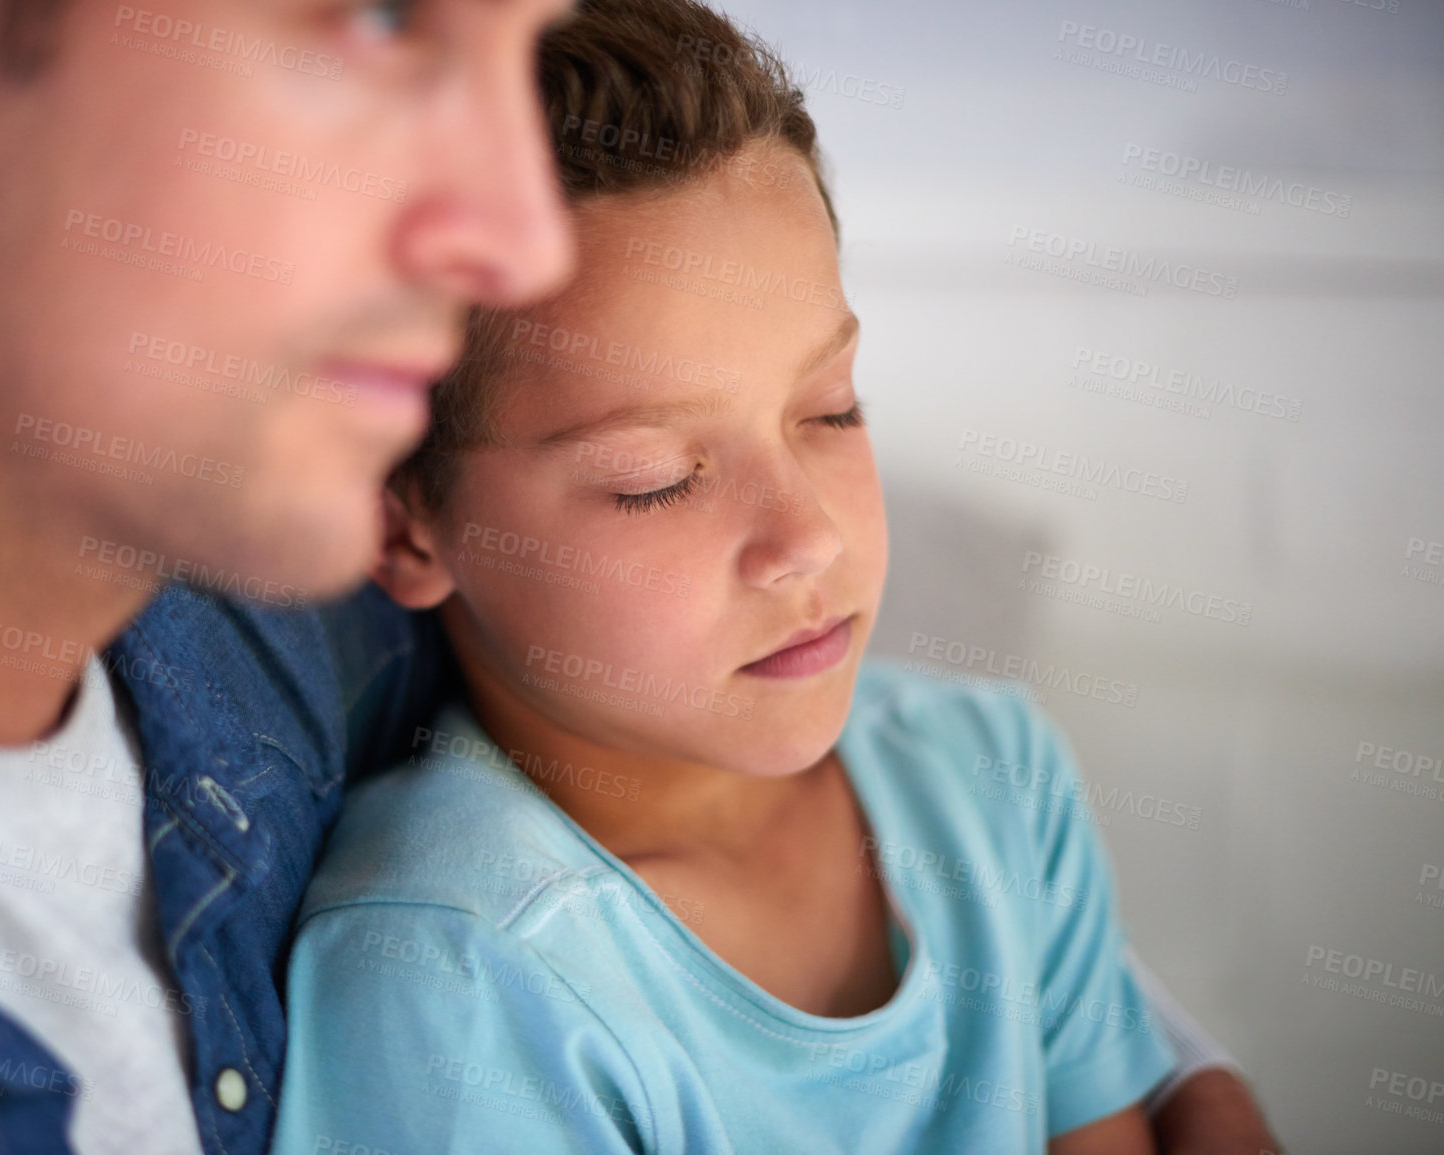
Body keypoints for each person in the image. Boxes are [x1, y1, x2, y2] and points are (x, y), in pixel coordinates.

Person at [0, 0, 1277, 1152]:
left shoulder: (272, 570)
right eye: (380, 27)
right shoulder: (443, 950)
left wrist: (1139, 1046)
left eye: (835, 408)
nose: (514, 233)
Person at [270, 2, 1282, 1152]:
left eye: (831, 409)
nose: (806, 538)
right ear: (405, 526)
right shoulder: (450, 974)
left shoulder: (992, 777)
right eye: (655, 479)